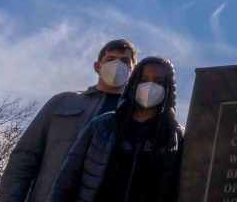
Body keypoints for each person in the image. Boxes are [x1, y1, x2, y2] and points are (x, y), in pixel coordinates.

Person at [0, 39, 136, 202]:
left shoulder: (137, 116)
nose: (117, 65)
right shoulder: (63, 102)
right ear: (97, 67)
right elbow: (25, 156)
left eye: (125, 61)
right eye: (111, 60)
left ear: (134, 71)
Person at [48, 56, 183, 202]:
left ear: (169, 88)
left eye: (159, 82)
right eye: (143, 80)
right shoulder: (101, 126)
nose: (150, 87)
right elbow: (65, 180)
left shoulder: (175, 136)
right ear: (133, 83)